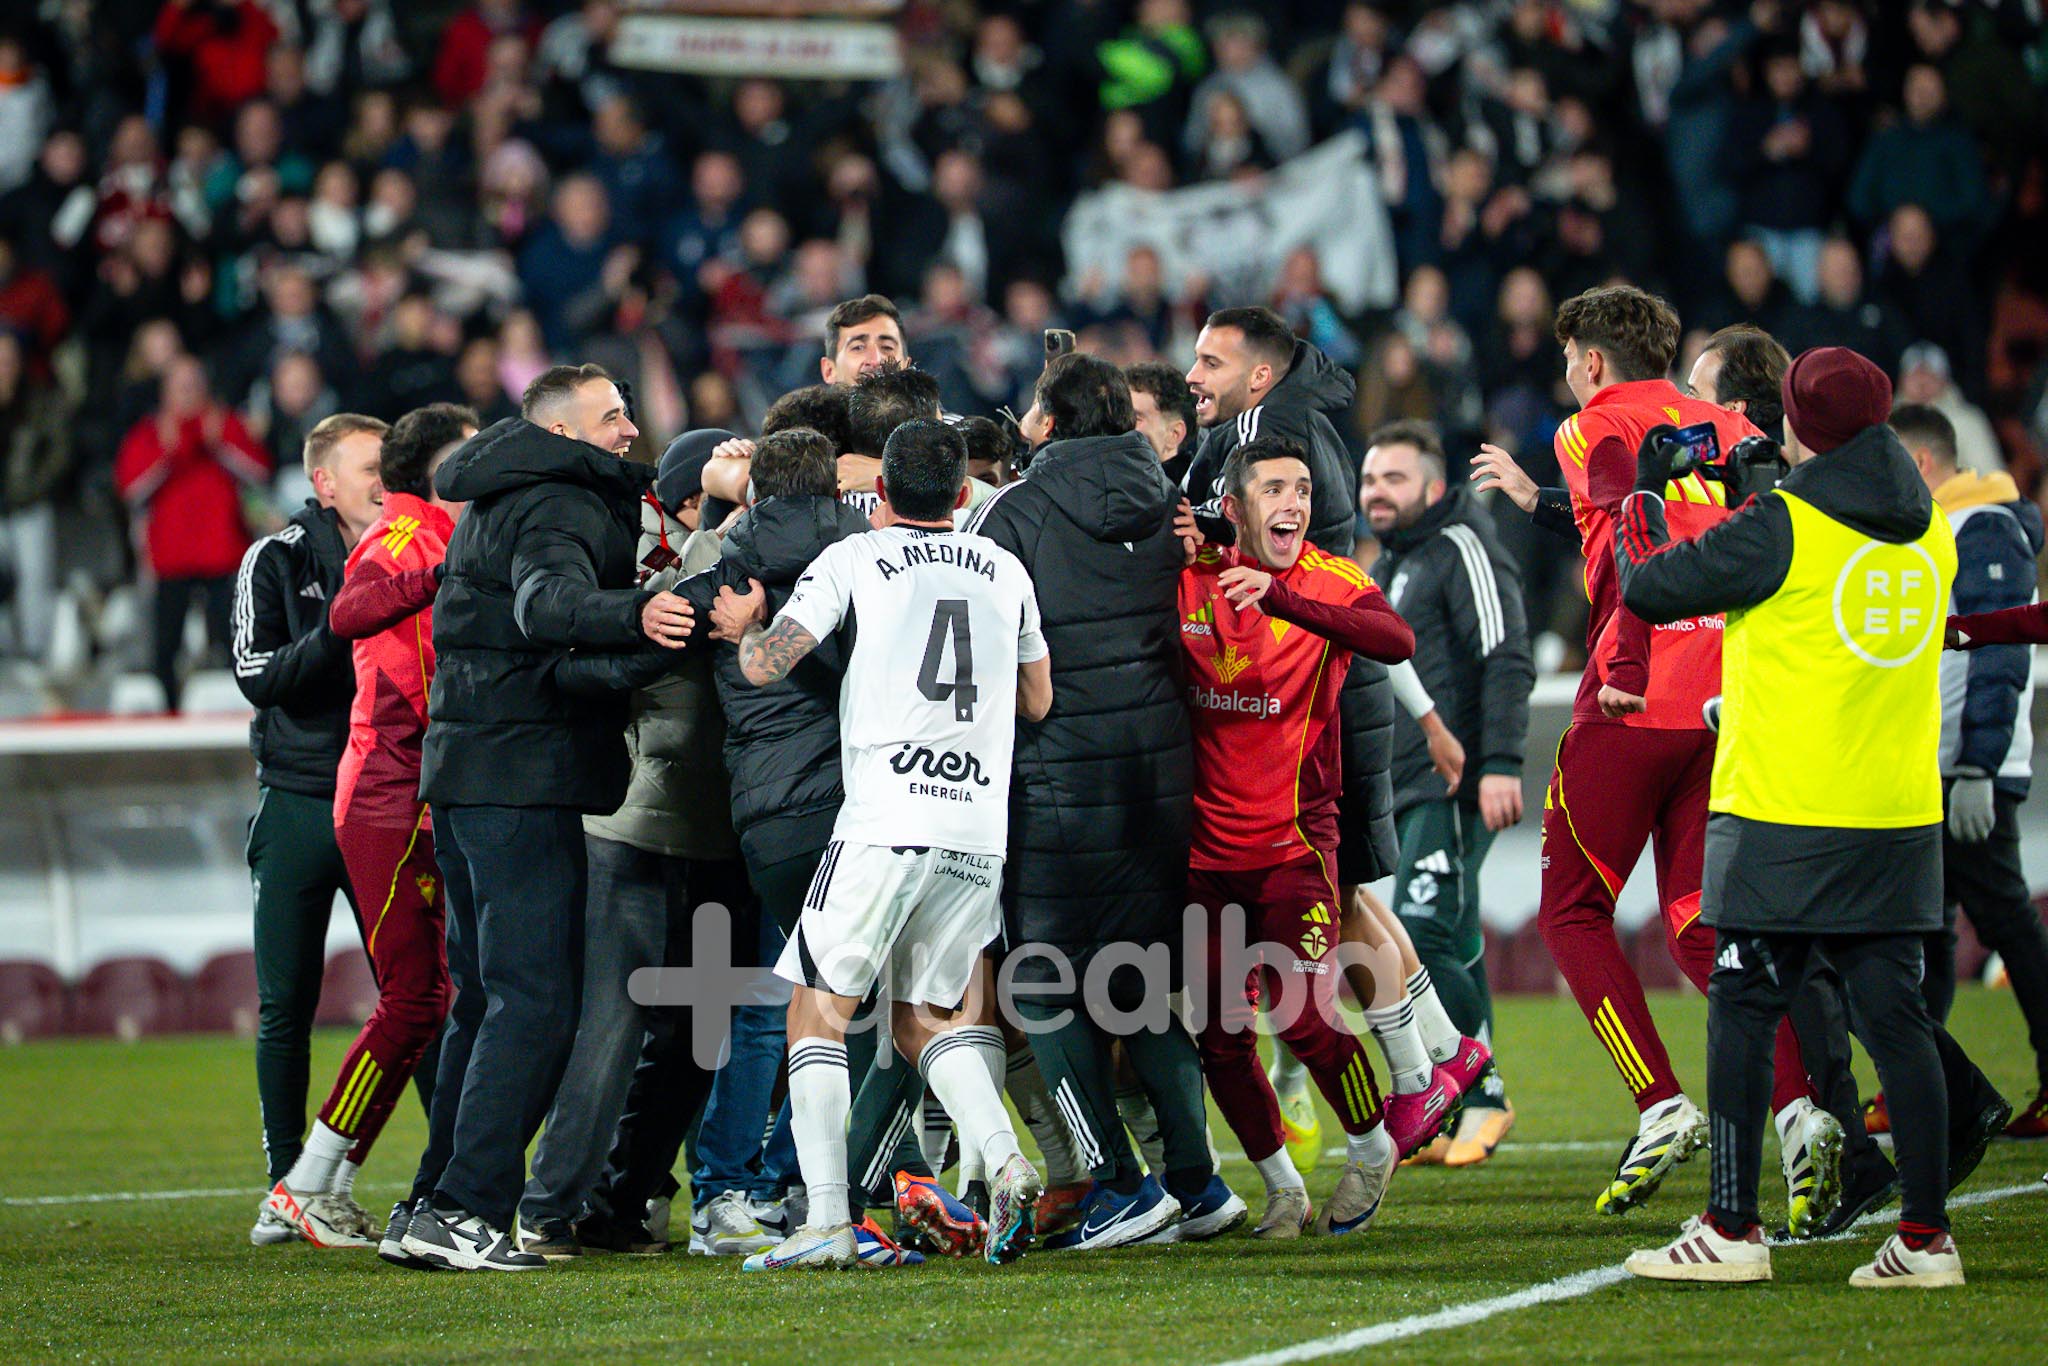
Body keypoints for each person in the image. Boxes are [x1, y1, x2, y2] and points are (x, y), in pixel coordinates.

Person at [1618, 347, 1964, 1290]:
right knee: (1896, 1021)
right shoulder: (1931, 528)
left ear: (1799, 423)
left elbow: (1650, 586)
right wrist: (1765, 496)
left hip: (1783, 812)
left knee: (1740, 1009)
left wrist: (1641, 499)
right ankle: (1926, 1240)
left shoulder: (1784, 525)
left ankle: (1732, 1228)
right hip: (1896, 814)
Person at [713, 418, 1051, 1270]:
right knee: (922, 1018)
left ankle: (827, 1220)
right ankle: (1007, 1161)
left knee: (816, 1013)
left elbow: (765, 665)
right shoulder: (1005, 568)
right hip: (976, 829)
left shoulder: (855, 558)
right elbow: (1038, 699)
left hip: (886, 819)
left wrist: (745, 626)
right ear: (963, 494)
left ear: (882, 496)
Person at [1515, 287, 1811, 1217]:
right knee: (1696, 922)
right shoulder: (1734, 427)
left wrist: (1623, 658)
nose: (1569, 375)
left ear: (1593, 361)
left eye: (1571, 359)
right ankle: (1803, 1114)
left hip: (1631, 698)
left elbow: (1619, 533)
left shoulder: (1589, 425)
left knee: (1570, 911)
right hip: (1725, 703)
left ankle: (1660, 1105)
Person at [399, 364, 695, 1272]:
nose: (628, 429)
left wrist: (647, 648)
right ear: (562, 432)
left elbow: (544, 661)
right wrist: (644, 612)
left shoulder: (499, 492)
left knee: (486, 999)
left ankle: (430, 1204)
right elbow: (548, 610)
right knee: (536, 1001)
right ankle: (466, 1207)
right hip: (520, 780)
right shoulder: (560, 498)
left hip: (470, 770)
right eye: (610, 417)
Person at [965, 352, 1233, 1249]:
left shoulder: (1015, 511)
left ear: (1048, 420)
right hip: (1157, 771)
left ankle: (1117, 1184)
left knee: (1044, 984)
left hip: (1058, 774)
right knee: (1140, 984)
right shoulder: (1169, 501)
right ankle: (1198, 1183)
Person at [1181, 435, 1416, 1239]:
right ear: (1234, 505)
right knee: (1219, 1039)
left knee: (1304, 1018)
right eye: (1275, 488)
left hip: (1295, 849)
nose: (1294, 504)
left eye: (1304, 489)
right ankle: (1282, 1187)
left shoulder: (1329, 581)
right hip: (1205, 856)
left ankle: (1372, 1145)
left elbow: (1397, 641)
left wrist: (1280, 599)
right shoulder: (1192, 575)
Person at [517, 428, 745, 1260]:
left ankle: (621, 1198)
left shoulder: (735, 550)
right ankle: (547, 1206)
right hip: (634, 823)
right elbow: (667, 614)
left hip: (716, 832)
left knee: (697, 1034)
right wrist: (723, 516)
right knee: (613, 1024)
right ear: (687, 498)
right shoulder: (637, 557)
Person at [264, 404, 477, 1255]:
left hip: (410, 791)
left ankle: (321, 1184)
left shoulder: (435, 534)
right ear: (435, 472)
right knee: (415, 998)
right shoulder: (406, 539)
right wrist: (442, 576)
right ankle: (307, 1182)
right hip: (387, 795)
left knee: (428, 999)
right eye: (467, 459)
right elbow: (353, 611)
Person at [1359, 419, 1533, 1167]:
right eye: (1370, 479)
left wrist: (1501, 763)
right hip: (1411, 780)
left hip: (1454, 779)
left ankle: (1484, 1095)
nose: (1377, 492)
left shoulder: (1462, 545)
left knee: (1423, 934)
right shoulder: (1395, 562)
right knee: (1454, 937)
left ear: (1433, 488)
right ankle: (1470, 1107)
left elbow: (1506, 654)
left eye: (1394, 479)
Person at [231, 411, 385, 1246]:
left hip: (385, 799)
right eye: (370, 467)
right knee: (285, 1004)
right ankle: (286, 1182)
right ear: (324, 482)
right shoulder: (277, 559)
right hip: (298, 801)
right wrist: (341, 625)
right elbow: (258, 675)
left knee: (416, 998)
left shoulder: (413, 552)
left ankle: (440, 1185)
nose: (385, 481)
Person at [1897, 403, 2048, 1139]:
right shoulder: (1941, 529)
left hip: (1969, 766)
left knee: (2005, 923)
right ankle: (1921, 1087)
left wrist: (1980, 767)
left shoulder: (1981, 525)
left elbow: (2001, 651)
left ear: (1922, 463)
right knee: (1926, 927)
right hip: (1938, 765)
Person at [116, 356, 274, 711]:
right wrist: (166, 452)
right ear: (166, 392)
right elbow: (130, 490)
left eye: (194, 385)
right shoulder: (150, 433)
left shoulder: (225, 425)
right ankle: (167, 711)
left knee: (233, 641)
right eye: (180, 386)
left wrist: (221, 444)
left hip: (223, 554)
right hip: (170, 559)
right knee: (166, 646)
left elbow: (260, 473)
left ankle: (245, 711)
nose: (188, 393)